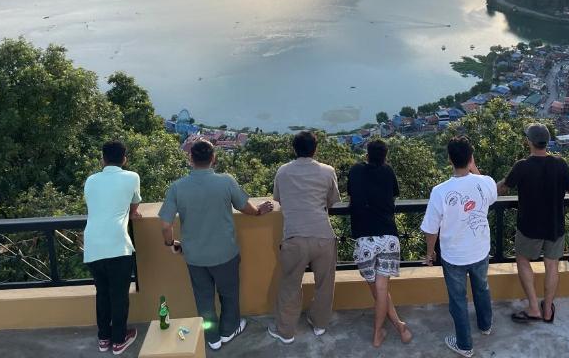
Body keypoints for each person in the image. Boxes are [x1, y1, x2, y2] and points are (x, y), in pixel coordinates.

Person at [159, 139, 275, 351]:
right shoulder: (226, 181)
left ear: (190, 158)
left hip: (194, 257)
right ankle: (229, 330)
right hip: (225, 254)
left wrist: (170, 243)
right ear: (213, 158)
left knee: (203, 299)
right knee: (229, 294)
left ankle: (212, 337)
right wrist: (259, 211)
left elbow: (166, 224)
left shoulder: (177, 187)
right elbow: (245, 207)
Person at [498, 124, 569, 324]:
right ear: (547, 142)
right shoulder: (560, 164)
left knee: (523, 260)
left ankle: (533, 307)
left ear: (529, 141)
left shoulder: (522, 166)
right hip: (555, 225)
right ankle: (547, 310)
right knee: (552, 266)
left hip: (529, 227)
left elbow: (501, 189)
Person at [420, 136, 497, 358]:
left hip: (454, 256)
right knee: (482, 288)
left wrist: (430, 252)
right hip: (480, 250)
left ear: (449, 160)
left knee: (458, 299)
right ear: (471, 158)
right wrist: (474, 168)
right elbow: (489, 194)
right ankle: (485, 326)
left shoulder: (440, 191)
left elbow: (431, 229)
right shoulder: (485, 182)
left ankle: (464, 345)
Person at [267, 131, 341, 345]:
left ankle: (286, 331)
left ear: (294, 148)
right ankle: (319, 324)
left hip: (294, 237)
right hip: (323, 236)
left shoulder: (283, 172)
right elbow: (332, 200)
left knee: (290, 285)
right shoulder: (328, 171)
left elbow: (278, 199)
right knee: (325, 283)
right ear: (315, 149)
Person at [347, 139, 413, 347]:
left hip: (364, 239)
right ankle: (397, 326)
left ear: (367, 154)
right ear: (385, 156)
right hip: (388, 237)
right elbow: (393, 194)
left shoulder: (356, 171)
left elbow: (352, 193)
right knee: (381, 289)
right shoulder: (388, 171)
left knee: (377, 290)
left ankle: (380, 332)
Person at [83, 141, 141, 355]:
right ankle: (119, 340)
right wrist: (132, 214)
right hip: (117, 244)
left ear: (103, 159)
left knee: (103, 293)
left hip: (93, 244)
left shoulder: (91, 180)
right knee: (119, 295)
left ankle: (103, 338)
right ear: (124, 158)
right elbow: (134, 206)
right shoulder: (132, 177)